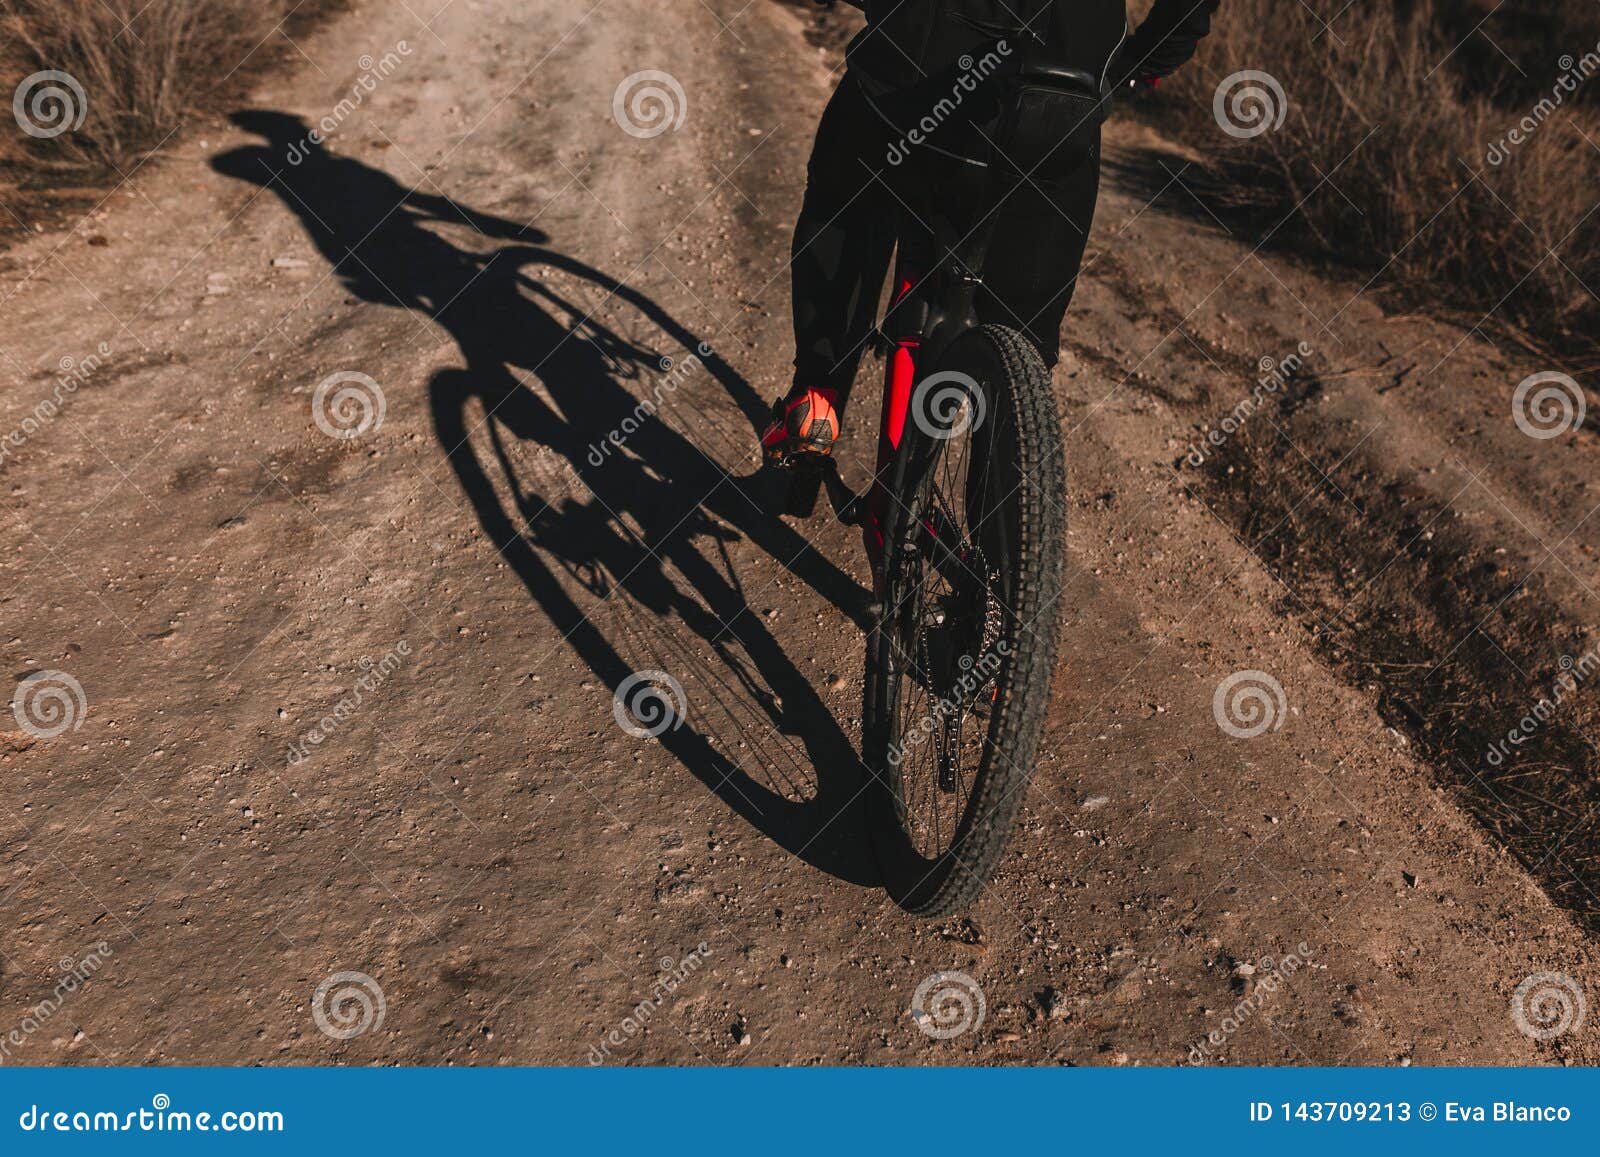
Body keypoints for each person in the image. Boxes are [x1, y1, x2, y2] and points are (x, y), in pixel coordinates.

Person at [761, 0, 1222, 466]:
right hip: (1058, 103)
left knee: (846, 193)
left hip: (910, 84)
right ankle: (1011, 483)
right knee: (1021, 336)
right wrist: (1146, 60)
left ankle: (818, 391)